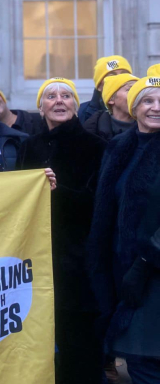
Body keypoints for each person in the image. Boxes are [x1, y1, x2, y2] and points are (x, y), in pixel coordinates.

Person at [18, 77, 106, 384]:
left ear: (75, 106)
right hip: (37, 259)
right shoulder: (30, 146)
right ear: (40, 107)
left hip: (78, 260)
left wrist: (59, 190)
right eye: (51, 96)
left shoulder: (96, 147)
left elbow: (99, 203)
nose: (59, 100)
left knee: (79, 340)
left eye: (66, 95)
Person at [88, 76, 160, 384]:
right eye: (148, 101)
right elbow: (103, 204)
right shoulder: (119, 147)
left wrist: (145, 263)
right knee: (139, 362)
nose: (156, 108)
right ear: (134, 107)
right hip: (123, 272)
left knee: (148, 360)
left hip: (151, 273)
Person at [83, 73, 137, 141]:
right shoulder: (92, 129)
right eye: (129, 89)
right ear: (111, 99)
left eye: (138, 90)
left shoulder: (149, 126)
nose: (136, 94)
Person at [78, 55, 133, 123]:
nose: (119, 79)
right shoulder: (81, 112)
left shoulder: (140, 108)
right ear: (99, 86)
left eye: (124, 74)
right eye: (111, 76)